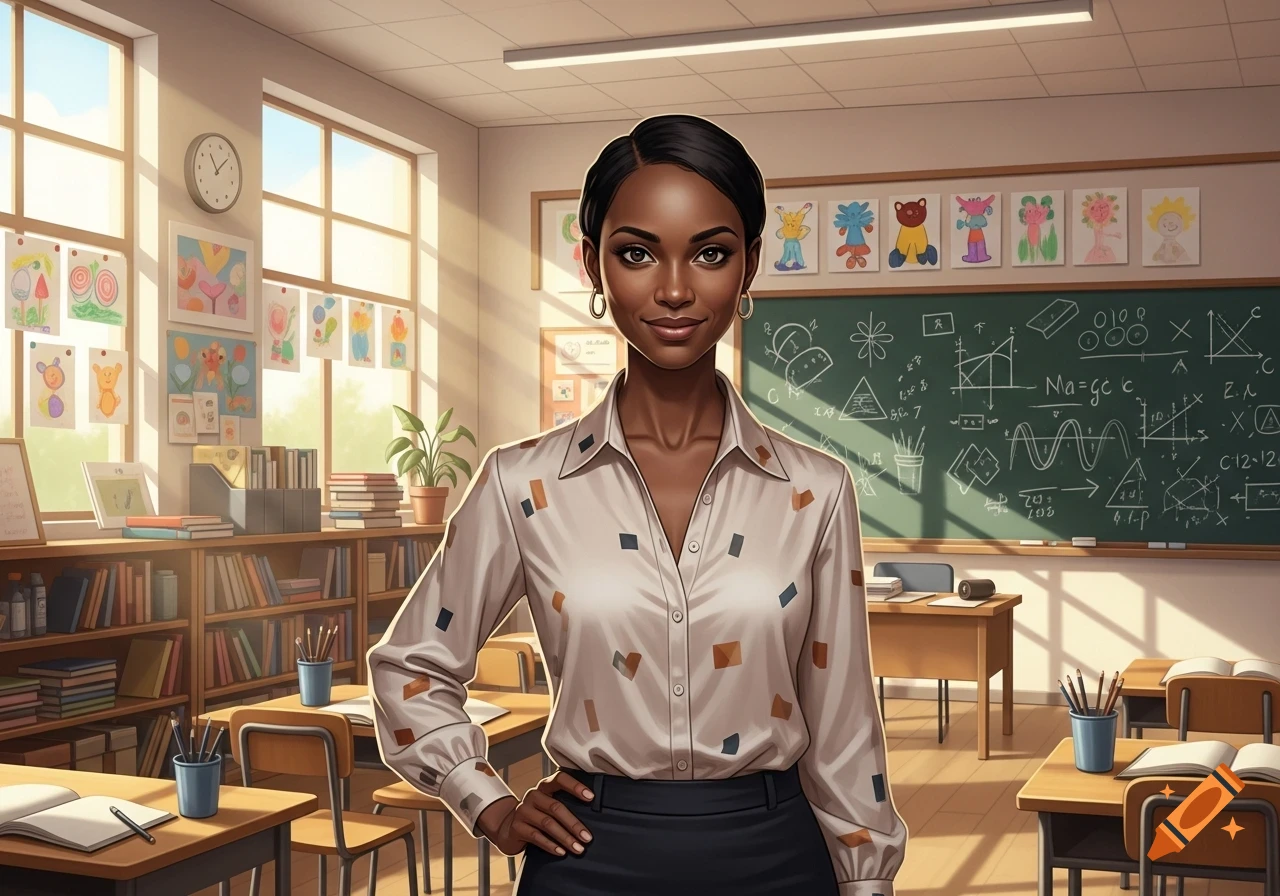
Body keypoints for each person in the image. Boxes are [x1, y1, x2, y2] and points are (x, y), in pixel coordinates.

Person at [369, 114, 907, 896]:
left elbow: (845, 720)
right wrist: (486, 803)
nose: (677, 289)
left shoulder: (813, 492)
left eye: (712, 253)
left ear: (751, 264)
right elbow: (409, 668)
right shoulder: (522, 484)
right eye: (637, 253)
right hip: (590, 853)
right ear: (591, 264)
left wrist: (865, 882)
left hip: (776, 854)